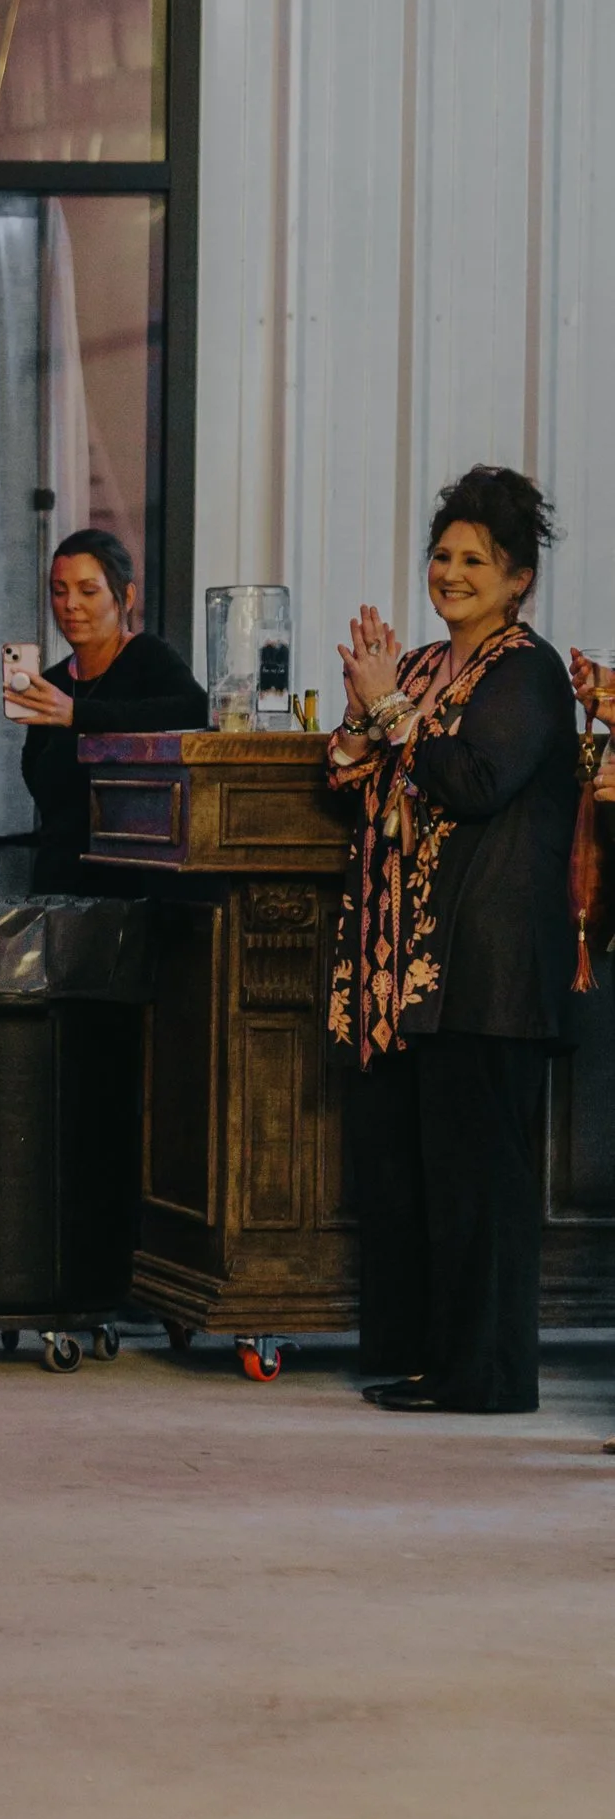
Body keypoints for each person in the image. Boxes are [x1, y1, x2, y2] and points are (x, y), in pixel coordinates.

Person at [327, 467, 579, 1415]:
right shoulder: (427, 668)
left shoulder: (527, 671)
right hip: (404, 974)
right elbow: (355, 783)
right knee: (414, 1179)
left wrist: (387, 714)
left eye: (479, 559)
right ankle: (430, 1360)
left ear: (519, 578)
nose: (453, 572)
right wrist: (363, 717)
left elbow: (474, 781)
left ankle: (487, 1376)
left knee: (481, 1185)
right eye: (443, 554)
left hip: (484, 969)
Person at [2, 526, 208, 891]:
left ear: (125, 596)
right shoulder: (53, 682)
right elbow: (38, 778)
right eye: (59, 591)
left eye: (88, 591)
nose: (70, 605)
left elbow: (194, 711)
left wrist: (78, 714)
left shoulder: (147, 656)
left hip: (133, 886)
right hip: (60, 881)